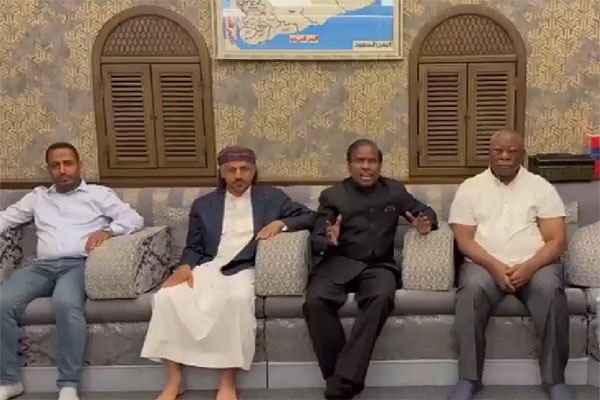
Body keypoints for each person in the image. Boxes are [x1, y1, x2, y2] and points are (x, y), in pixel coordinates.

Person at [141, 145, 316, 400]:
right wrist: (184, 268)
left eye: (244, 169)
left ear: (254, 171)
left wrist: (281, 223)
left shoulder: (271, 197)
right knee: (167, 297)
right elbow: (194, 246)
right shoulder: (204, 205)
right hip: (210, 264)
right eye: (231, 170)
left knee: (236, 300)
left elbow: (309, 216)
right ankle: (174, 380)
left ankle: (227, 381)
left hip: (245, 265)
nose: (238, 175)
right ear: (222, 173)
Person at [0, 142, 144, 400]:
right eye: (56, 165)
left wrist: (108, 230)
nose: (63, 170)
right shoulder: (37, 197)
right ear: (49, 169)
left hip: (79, 265)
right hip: (41, 268)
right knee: (1, 303)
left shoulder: (98, 194)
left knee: (65, 303)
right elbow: (5, 219)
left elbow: (134, 219)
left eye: (68, 163)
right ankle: (9, 381)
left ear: (79, 165)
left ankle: (68, 384)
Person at [303, 139, 438, 399]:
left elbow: (425, 212)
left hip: (378, 265)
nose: (366, 167)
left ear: (379, 164)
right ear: (349, 164)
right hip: (338, 262)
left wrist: (426, 224)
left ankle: (341, 382)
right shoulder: (333, 195)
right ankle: (342, 377)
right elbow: (318, 236)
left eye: (371, 161)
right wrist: (328, 240)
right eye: (359, 161)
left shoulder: (394, 191)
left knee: (381, 296)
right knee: (314, 301)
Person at [448, 129, 572, 400]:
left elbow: (557, 239)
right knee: (470, 292)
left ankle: (555, 380)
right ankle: (469, 378)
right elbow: (464, 239)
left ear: (522, 155)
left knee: (552, 291)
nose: (504, 156)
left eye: (512, 151)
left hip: (536, 266)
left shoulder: (541, 187)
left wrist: (529, 267)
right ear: (489, 154)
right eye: (498, 151)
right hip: (484, 266)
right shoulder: (470, 188)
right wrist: (494, 266)